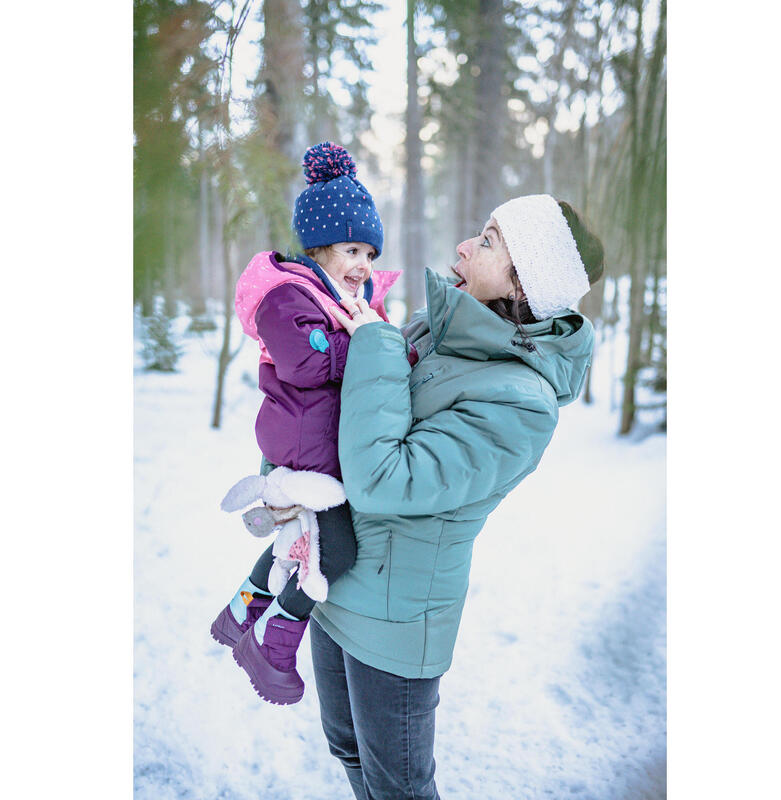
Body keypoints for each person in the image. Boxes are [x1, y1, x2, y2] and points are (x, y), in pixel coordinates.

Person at [306, 193, 604, 800]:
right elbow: (339, 418)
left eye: (490, 241)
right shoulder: (429, 327)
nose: (464, 246)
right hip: (332, 576)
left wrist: (375, 342)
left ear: (523, 287)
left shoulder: (522, 401)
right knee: (345, 749)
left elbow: (383, 478)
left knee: (399, 788)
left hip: (394, 617)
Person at [209, 142, 407, 706]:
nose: (365, 264)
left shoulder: (339, 299)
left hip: (315, 442)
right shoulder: (288, 296)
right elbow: (305, 362)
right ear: (318, 247)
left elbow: (378, 358)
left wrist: (381, 344)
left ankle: (238, 614)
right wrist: (364, 342)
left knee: (296, 540)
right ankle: (273, 645)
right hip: (304, 447)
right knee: (335, 552)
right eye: (352, 249)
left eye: (370, 251)